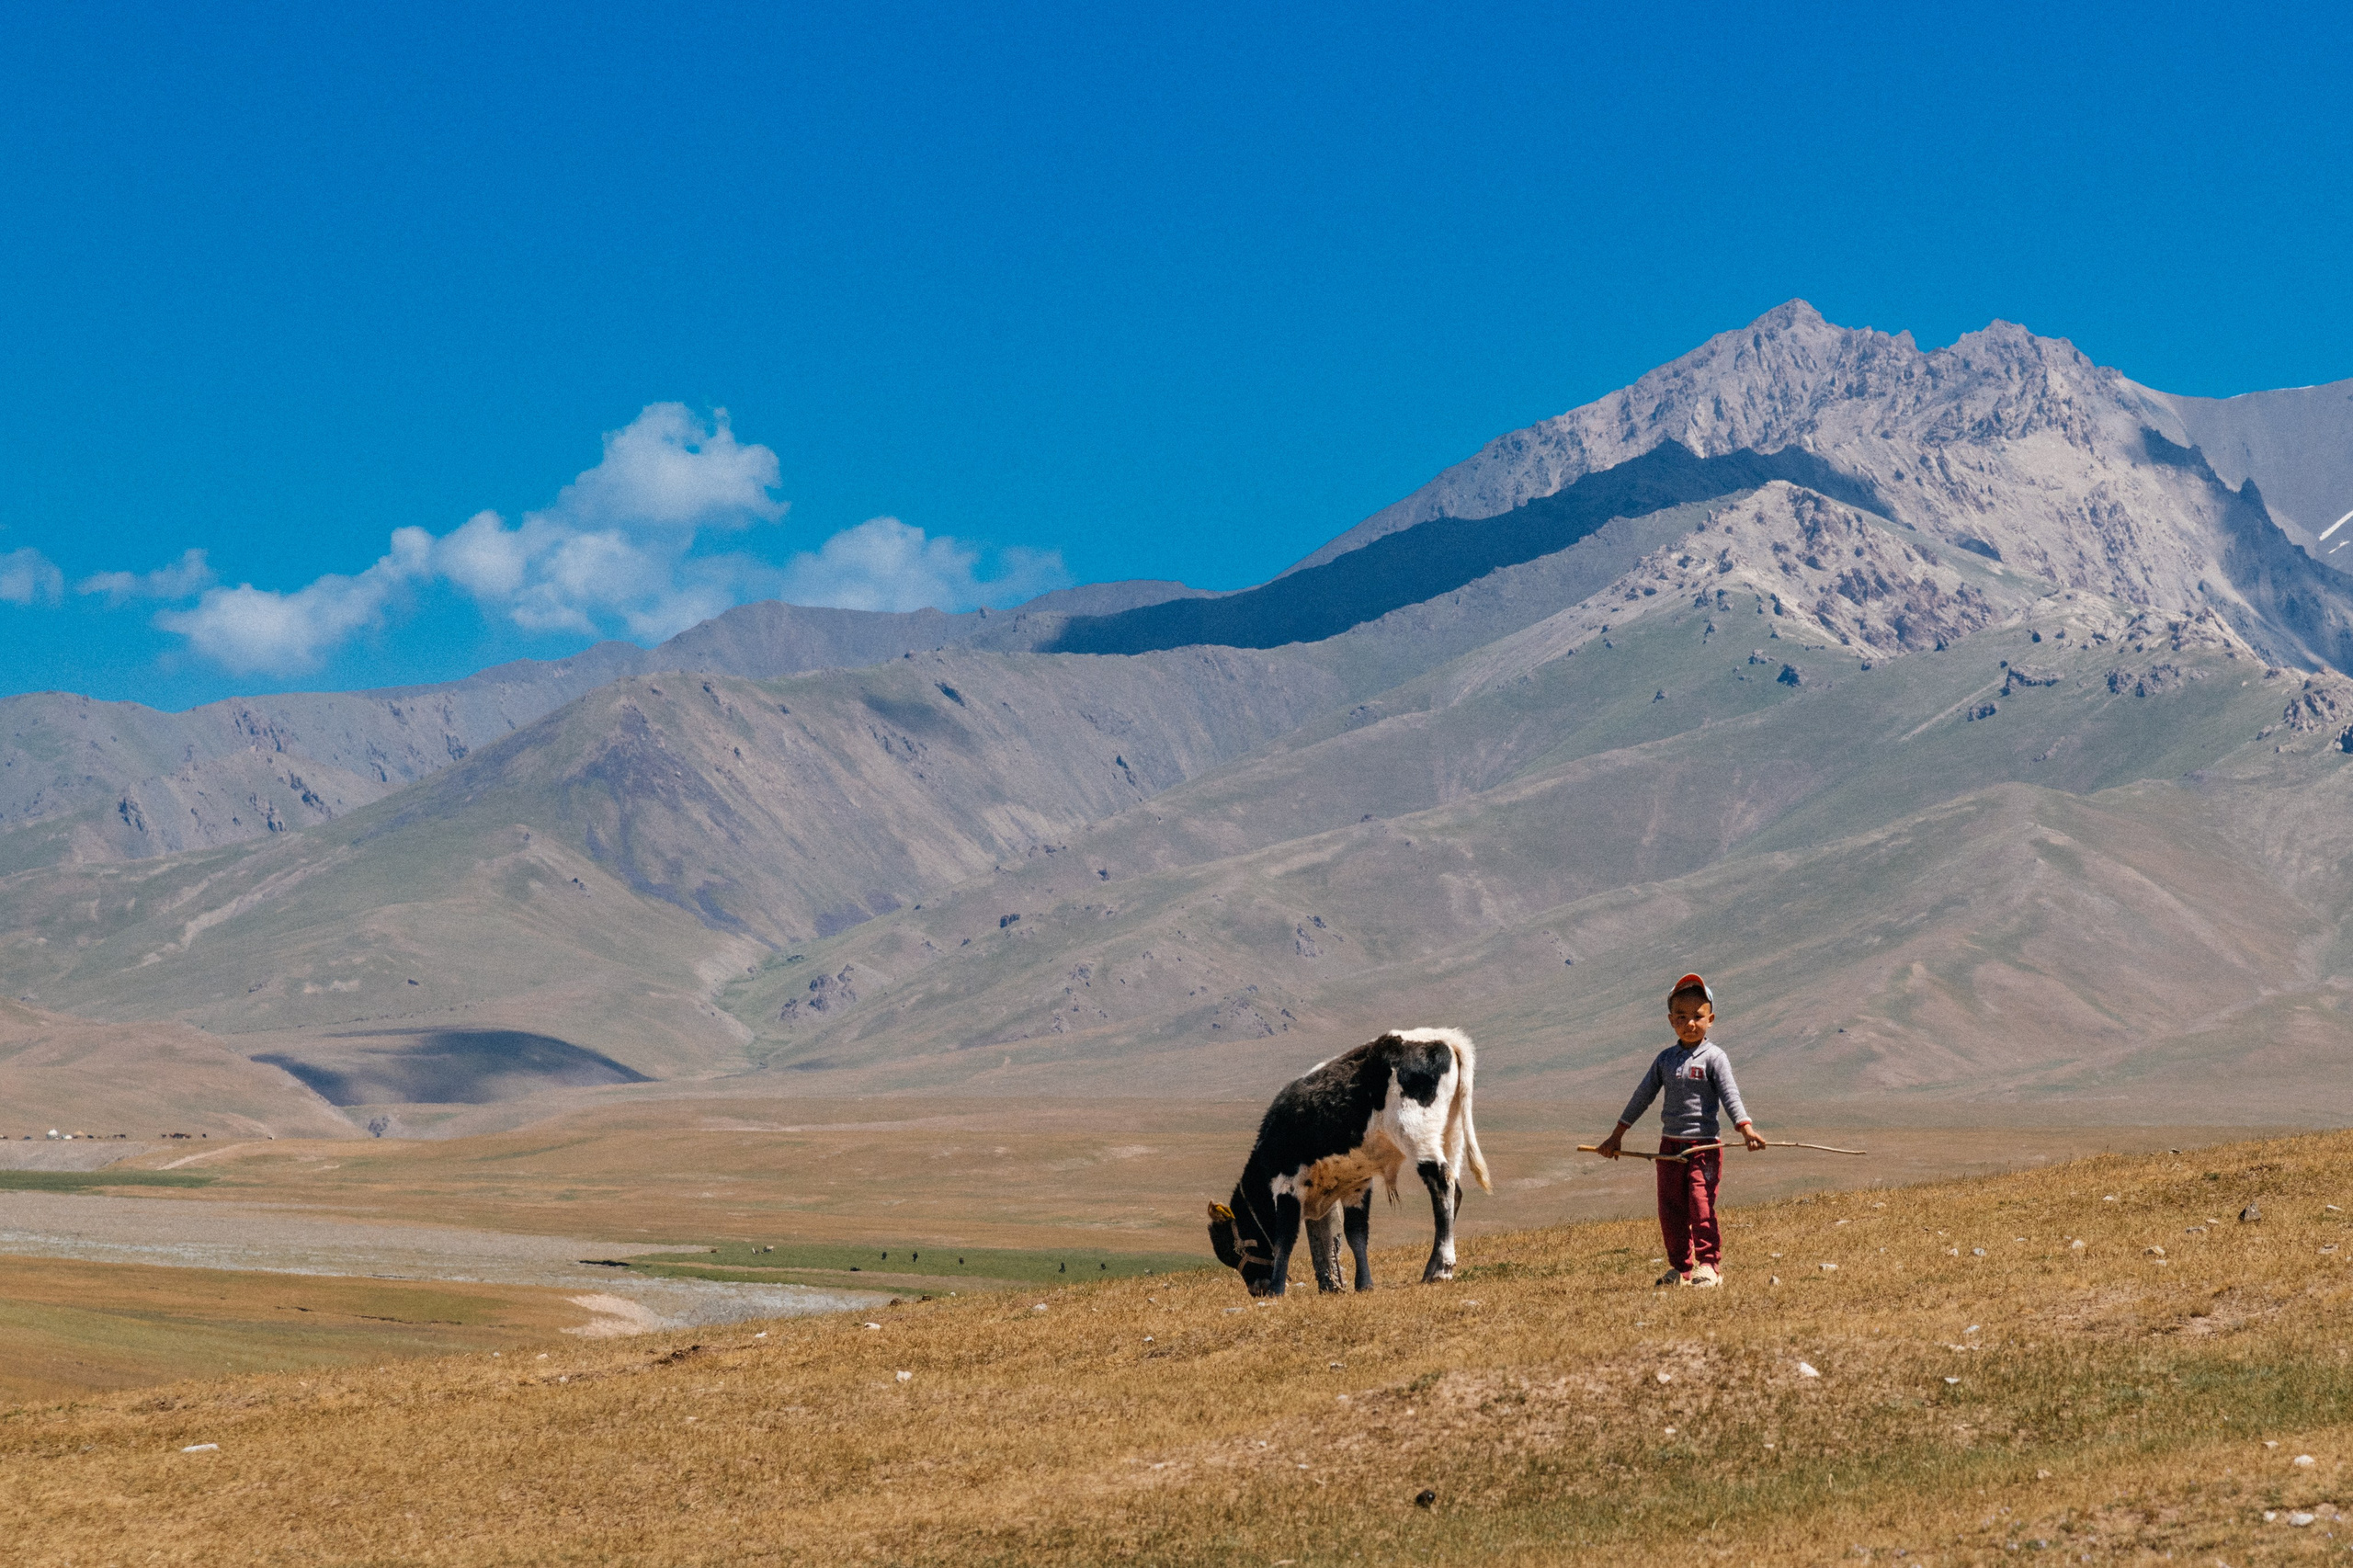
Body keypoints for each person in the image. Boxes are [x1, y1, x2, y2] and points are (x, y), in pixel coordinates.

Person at [1595, 972, 1766, 1288]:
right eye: (1682, 1017)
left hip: (1704, 1148)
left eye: (1697, 1017)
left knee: (1701, 1205)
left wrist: (1746, 1129)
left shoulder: (1715, 1057)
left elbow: (1731, 1095)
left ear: (1710, 1019)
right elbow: (1642, 1096)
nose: (1690, 1023)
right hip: (1669, 1148)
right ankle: (1681, 1270)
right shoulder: (1665, 1060)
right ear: (1671, 1020)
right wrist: (1617, 1135)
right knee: (1671, 1209)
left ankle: (1710, 1266)